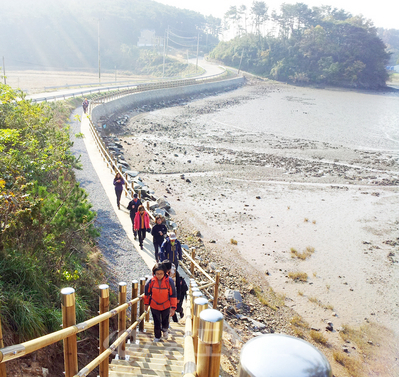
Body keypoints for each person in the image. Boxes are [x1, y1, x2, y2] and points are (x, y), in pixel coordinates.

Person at [144, 263, 177, 342]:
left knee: (165, 320)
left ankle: (165, 330)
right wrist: (146, 304)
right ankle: (157, 336)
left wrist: (173, 308)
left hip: (165, 305)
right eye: (157, 274)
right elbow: (147, 294)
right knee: (156, 322)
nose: (159, 276)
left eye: (161, 274)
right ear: (154, 273)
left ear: (165, 273)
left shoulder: (169, 281)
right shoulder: (150, 281)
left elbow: (173, 295)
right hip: (154, 305)